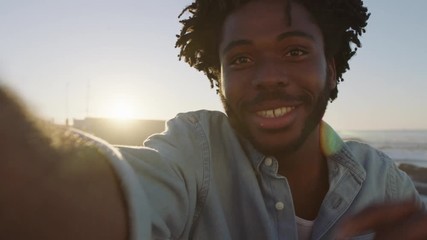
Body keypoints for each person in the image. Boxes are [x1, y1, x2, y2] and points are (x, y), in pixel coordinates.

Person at [1, 0, 427, 239]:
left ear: (331, 67)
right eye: (240, 59)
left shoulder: (385, 183)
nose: (268, 78)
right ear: (217, 79)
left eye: (294, 51)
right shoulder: (193, 153)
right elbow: (106, 201)